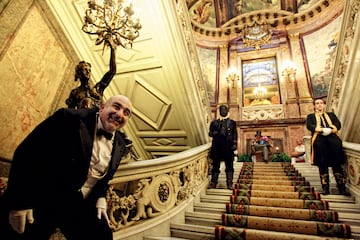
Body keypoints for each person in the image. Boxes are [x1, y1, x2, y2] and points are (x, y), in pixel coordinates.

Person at [0, 95, 133, 240]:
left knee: (102, 236)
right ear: (102, 107)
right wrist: (20, 202)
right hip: (45, 195)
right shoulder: (68, 118)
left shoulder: (120, 144)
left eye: (126, 113)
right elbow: (27, 153)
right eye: (116, 106)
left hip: (79, 205)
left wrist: (100, 197)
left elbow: (105, 176)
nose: (120, 114)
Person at [306, 98, 350, 196]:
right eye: (317, 103)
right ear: (314, 106)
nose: (319, 105)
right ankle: (325, 188)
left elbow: (338, 124)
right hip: (319, 141)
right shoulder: (310, 116)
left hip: (332, 140)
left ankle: (341, 188)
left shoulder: (331, 115)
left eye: (321, 103)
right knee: (322, 165)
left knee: (337, 164)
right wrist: (321, 130)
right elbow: (309, 126)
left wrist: (330, 129)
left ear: (324, 105)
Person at [66, 37, 117, 109]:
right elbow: (70, 113)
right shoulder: (75, 93)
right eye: (85, 69)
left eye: (89, 70)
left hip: (97, 118)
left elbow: (112, 71)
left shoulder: (98, 88)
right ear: (79, 73)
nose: (88, 72)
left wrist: (113, 49)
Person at [208, 104, 238, 189]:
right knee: (215, 166)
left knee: (229, 167)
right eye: (221, 110)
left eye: (224, 109)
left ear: (227, 111)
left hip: (228, 148)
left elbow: (235, 134)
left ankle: (229, 183)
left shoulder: (232, 123)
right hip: (217, 147)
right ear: (219, 111)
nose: (223, 111)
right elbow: (209, 133)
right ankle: (213, 183)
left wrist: (235, 144)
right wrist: (214, 133)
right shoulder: (214, 122)